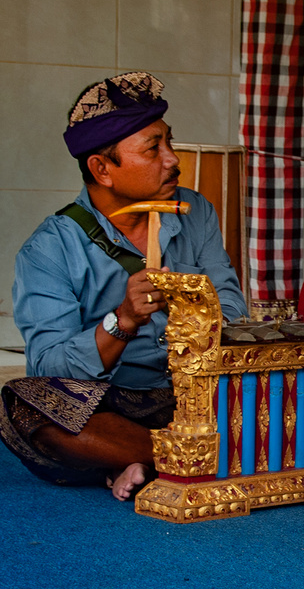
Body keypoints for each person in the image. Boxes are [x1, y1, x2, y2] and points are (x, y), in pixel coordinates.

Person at [3, 73, 245, 499]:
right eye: (153, 149)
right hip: (113, 403)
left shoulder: (195, 211)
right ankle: (180, 457)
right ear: (102, 169)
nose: (172, 159)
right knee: (24, 405)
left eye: (169, 142)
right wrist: (123, 319)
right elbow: (49, 368)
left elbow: (231, 304)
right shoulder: (48, 250)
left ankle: (134, 461)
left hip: (192, 395)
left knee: (292, 394)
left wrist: (194, 310)